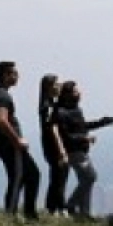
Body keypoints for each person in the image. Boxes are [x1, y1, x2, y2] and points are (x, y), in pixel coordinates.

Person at [52, 80, 113, 218]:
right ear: (67, 95)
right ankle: (70, 205)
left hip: (81, 150)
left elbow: (82, 126)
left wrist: (102, 122)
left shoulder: (76, 109)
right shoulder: (61, 112)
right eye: (75, 91)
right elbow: (66, 136)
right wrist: (84, 138)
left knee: (85, 181)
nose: (79, 93)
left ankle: (84, 213)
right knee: (91, 177)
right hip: (74, 151)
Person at [0, 61, 41, 219]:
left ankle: (28, 215)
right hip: (10, 145)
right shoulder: (2, 96)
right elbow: (2, 121)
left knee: (31, 175)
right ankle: (11, 217)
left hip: (9, 145)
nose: (17, 76)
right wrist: (17, 141)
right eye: (13, 73)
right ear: (5, 75)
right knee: (17, 179)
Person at [38, 74, 69, 216]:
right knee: (59, 176)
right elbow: (53, 128)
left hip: (51, 145)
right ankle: (58, 208)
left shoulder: (50, 103)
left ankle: (53, 208)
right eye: (57, 84)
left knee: (57, 176)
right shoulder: (48, 106)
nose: (60, 86)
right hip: (53, 146)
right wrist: (61, 149)